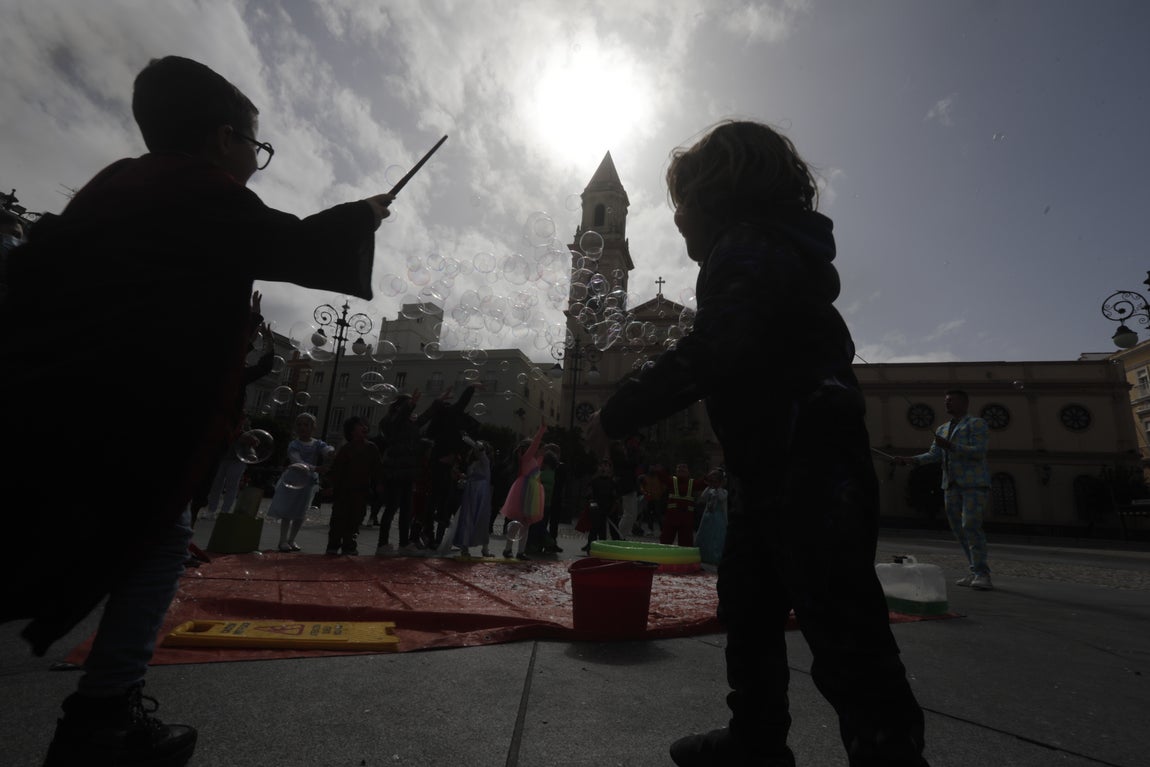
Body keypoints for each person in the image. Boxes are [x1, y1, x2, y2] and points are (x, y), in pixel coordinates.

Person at [0, 55, 397, 767]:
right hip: (115, 418)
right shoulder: (203, 193)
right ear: (223, 139)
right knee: (157, 539)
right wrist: (365, 214)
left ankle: (103, 712)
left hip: (44, 399)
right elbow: (297, 245)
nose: (255, 157)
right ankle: (102, 718)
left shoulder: (115, 184)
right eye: (256, 144)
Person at [587, 120, 930, 767]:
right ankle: (755, 737)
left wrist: (617, 414)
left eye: (680, 201)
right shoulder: (762, 249)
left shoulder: (746, 249)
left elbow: (714, 349)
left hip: (808, 463)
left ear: (719, 192)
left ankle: (888, 755)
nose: (678, 217)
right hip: (769, 465)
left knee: (844, 634)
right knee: (749, 604)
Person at [896, 390, 992, 590]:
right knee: (959, 530)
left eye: (951, 401)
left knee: (971, 525)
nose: (947, 404)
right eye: (945, 401)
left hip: (973, 484)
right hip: (950, 485)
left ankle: (983, 573)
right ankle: (974, 570)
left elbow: (979, 452)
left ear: (964, 403)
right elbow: (933, 455)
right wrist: (910, 460)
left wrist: (950, 446)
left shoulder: (976, 424)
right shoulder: (942, 429)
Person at [375, 391, 436, 555]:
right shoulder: (390, 422)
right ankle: (382, 544)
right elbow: (400, 419)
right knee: (392, 507)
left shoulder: (408, 423)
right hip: (395, 471)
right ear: (400, 407)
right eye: (407, 404)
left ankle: (404, 544)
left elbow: (423, 419)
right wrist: (410, 405)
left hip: (409, 471)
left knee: (407, 509)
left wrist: (438, 402)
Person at [266, 412, 333, 552]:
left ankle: (291, 540)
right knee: (288, 510)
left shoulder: (317, 443)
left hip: (307, 481)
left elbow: (326, 449)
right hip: (293, 479)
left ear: (313, 428)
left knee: (300, 512)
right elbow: (297, 461)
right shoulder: (294, 444)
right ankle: (282, 540)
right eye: (300, 424)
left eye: (306, 425)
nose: (302, 427)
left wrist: (330, 452)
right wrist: (316, 468)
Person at [324, 416, 386, 556]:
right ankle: (333, 545)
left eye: (365, 424)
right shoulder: (346, 449)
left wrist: (380, 483)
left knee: (355, 519)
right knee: (338, 519)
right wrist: (331, 486)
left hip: (361, 491)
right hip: (343, 491)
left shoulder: (371, 448)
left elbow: (378, 468)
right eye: (360, 425)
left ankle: (349, 546)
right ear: (351, 431)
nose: (364, 427)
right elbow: (337, 470)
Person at [498, 422, 548, 560]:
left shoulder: (533, 460)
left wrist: (543, 454)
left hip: (531, 492)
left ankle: (520, 551)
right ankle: (508, 549)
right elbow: (535, 445)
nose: (538, 449)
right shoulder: (526, 457)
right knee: (519, 522)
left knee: (526, 524)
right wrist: (541, 430)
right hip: (524, 491)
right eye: (537, 448)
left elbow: (538, 465)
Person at [452, 437, 495, 558]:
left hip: (481, 494)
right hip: (471, 493)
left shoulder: (485, 462)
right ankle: (465, 548)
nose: (477, 452)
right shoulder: (473, 463)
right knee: (468, 518)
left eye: (479, 450)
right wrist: (463, 477)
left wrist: (471, 442)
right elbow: (471, 476)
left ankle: (485, 548)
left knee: (482, 519)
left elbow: (481, 452)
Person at [662, 462, 702, 547]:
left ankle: (682, 556)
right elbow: (662, 477)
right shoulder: (672, 481)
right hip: (674, 517)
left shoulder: (692, 483)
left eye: (684, 468)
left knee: (685, 541)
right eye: (679, 469)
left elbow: (703, 484)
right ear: (676, 472)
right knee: (666, 539)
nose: (682, 470)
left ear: (688, 472)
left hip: (684, 518)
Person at [694, 468, 728, 566]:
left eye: (716, 481)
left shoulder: (724, 491)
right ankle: (703, 555)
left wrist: (718, 488)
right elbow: (703, 497)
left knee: (716, 537)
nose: (714, 483)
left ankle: (715, 557)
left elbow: (722, 498)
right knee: (705, 535)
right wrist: (709, 486)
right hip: (707, 517)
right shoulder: (709, 490)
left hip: (718, 518)